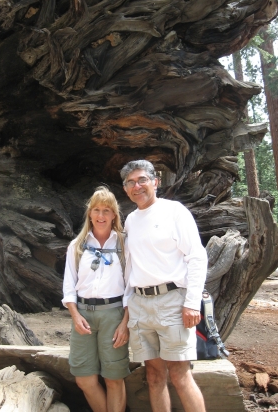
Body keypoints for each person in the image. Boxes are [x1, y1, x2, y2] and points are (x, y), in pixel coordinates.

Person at [120, 160, 208, 412]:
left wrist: (191, 303)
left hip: (172, 302)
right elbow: (130, 265)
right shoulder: (131, 220)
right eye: (131, 182)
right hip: (140, 304)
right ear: (126, 189)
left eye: (142, 180)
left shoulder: (174, 212)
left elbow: (197, 257)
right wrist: (129, 303)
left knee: (180, 375)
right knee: (154, 376)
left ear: (155, 182)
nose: (137, 186)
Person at [62, 186, 130, 412]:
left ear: (114, 215)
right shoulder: (77, 245)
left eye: (107, 211)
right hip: (82, 315)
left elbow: (132, 287)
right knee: (84, 378)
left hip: (114, 315)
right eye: (97, 210)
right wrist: (74, 315)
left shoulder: (123, 244)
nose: (101, 216)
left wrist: (125, 323)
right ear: (90, 213)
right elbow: (69, 285)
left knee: (113, 378)